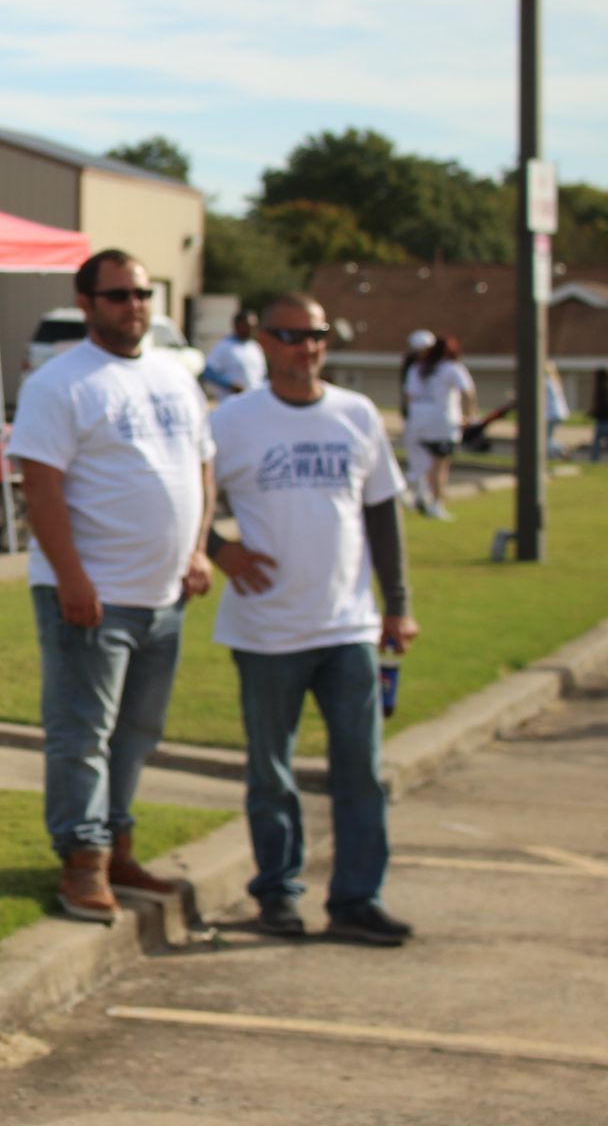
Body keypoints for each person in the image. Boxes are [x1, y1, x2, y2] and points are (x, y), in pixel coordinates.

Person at [8, 248, 215, 923]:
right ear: (88, 301)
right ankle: (83, 860)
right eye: (121, 295)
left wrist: (199, 549)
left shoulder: (174, 376)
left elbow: (202, 467)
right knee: (83, 734)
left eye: (143, 295)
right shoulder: (60, 382)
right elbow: (41, 486)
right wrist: (72, 576)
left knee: (138, 732)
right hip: (91, 598)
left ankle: (119, 844)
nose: (135, 307)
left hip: (164, 596)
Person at [208, 292, 419, 946]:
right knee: (272, 770)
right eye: (292, 335)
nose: (307, 347)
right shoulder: (233, 420)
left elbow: (381, 513)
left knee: (362, 771)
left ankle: (357, 898)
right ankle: (278, 893)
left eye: (318, 335)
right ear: (263, 342)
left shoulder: (355, 415)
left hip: (347, 626)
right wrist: (222, 551)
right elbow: (188, 499)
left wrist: (399, 605)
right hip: (267, 629)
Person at [402, 333, 475, 520]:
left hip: (417, 423)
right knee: (439, 466)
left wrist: (411, 418)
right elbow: (468, 391)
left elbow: (408, 397)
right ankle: (435, 503)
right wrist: (469, 416)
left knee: (420, 464)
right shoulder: (452, 368)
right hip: (442, 423)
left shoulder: (415, 369)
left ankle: (419, 497)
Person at [397, 328, 435, 508]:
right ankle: (407, 493)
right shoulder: (414, 369)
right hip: (417, 419)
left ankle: (421, 495)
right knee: (418, 460)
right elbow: (408, 395)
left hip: (426, 419)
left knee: (425, 461)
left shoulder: (429, 368)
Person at [200, 309, 265, 400]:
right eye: (248, 326)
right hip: (231, 404)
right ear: (237, 325)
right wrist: (229, 385)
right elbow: (208, 372)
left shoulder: (255, 347)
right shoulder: (224, 346)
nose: (252, 329)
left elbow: (261, 377)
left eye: (254, 326)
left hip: (253, 403)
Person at [544, 361, 570, 460]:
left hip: (552, 414)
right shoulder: (554, 381)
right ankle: (559, 450)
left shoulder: (546, 382)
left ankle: (560, 450)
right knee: (548, 437)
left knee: (546, 438)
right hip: (559, 413)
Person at [591, 367, 608, 463]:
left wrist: (594, 413)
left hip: (603, 420)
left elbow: (601, 406)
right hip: (602, 420)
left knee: (597, 440)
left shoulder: (602, 389)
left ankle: (594, 459)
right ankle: (594, 459)